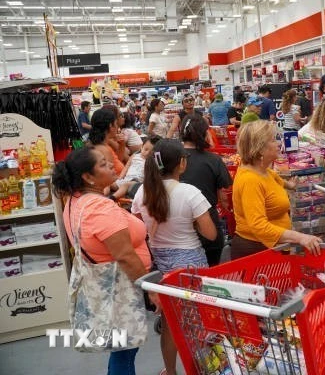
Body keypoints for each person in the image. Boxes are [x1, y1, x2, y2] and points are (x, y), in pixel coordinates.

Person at [52, 147, 160, 375]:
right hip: (121, 287)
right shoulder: (99, 209)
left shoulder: (76, 200)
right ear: (87, 177)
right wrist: (150, 290)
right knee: (124, 350)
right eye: (103, 164)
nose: (111, 164)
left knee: (120, 348)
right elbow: (125, 255)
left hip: (108, 284)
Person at [132, 139, 217, 375]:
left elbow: (140, 228)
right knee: (198, 322)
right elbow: (211, 234)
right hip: (190, 263)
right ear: (181, 163)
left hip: (160, 264)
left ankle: (170, 371)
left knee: (171, 324)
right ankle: (203, 369)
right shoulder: (190, 193)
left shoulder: (142, 192)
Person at [231, 120, 323, 259]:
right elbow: (258, 226)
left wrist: (290, 185)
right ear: (260, 148)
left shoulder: (263, 170)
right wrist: (300, 237)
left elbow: (275, 178)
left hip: (273, 248)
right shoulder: (250, 180)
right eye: (273, 140)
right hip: (257, 253)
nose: (279, 143)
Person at [180, 114, 232, 266]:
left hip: (178, 228)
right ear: (204, 133)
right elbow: (223, 196)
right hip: (207, 225)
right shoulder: (213, 160)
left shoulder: (173, 158)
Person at [89, 108, 125, 175]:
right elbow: (109, 179)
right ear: (110, 126)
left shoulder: (103, 144)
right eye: (116, 123)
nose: (117, 127)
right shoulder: (103, 149)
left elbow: (117, 161)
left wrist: (122, 144)